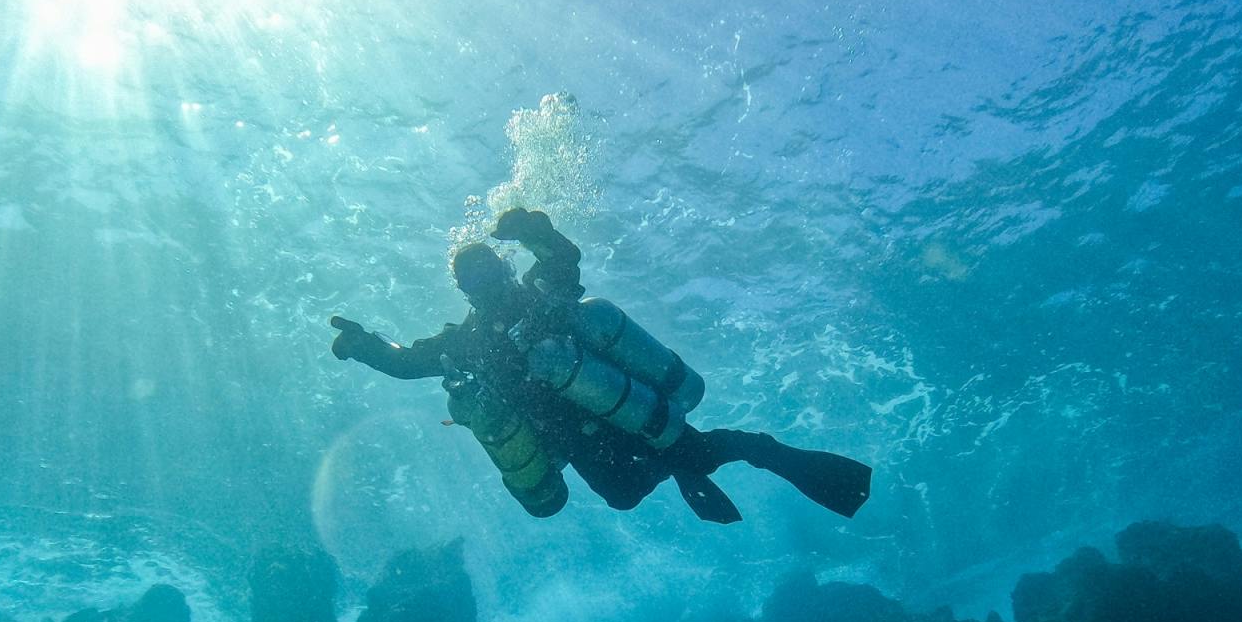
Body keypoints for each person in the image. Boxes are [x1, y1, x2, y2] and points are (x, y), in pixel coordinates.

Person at [329, 208, 871, 524]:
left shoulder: (544, 296)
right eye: (473, 281)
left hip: (621, 408)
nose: (486, 285)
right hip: (586, 436)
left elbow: (562, 256)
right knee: (625, 497)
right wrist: (366, 346)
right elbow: (411, 363)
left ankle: (767, 451)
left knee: (701, 455)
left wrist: (530, 226)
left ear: (504, 266)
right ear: (464, 292)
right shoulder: (469, 341)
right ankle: (690, 467)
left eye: (489, 270)